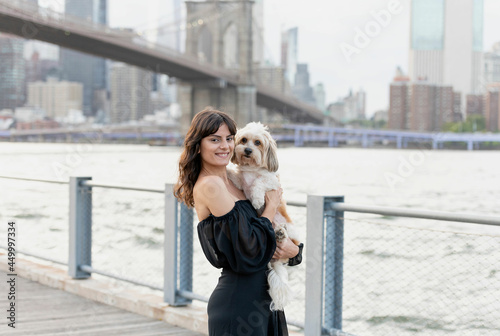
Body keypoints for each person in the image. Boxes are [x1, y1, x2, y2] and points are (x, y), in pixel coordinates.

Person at [174, 107, 303, 336]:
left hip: (265, 300)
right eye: (215, 139)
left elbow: (274, 242)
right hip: (240, 305)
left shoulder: (236, 181)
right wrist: (271, 206)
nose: (225, 146)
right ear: (198, 144)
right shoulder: (211, 185)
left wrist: (294, 251)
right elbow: (251, 250)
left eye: (229, 139)